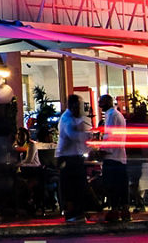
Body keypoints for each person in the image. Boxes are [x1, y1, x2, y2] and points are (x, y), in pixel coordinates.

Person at [56, 93, 95, 222]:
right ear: (73, 106)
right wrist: (86, 134)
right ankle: (72, 212)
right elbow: (72, 135)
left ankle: (78, 211)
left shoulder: (73, 118)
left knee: (78, 185)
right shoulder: (67, 119)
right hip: (67, 158)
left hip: (74, 157)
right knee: (71, 187)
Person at [97, 94, 129, 222]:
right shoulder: (118, 115)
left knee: (112, 186)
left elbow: (108, 136)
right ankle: (125, 210)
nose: (99, 105)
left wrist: (102, 150)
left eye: (101, 102)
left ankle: (115, 210)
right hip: (120, 156)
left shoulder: (111, 115)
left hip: (112, 157)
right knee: (122, 186)